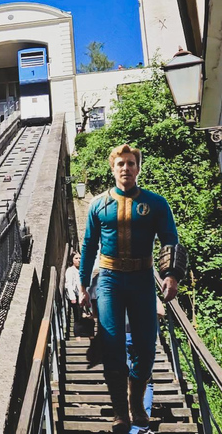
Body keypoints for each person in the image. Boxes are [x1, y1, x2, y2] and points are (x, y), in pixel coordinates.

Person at [78, 144, 185, 433]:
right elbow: (88, 246)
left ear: (138, 167)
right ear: (113, 169)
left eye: (131, 163)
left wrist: (171, 276)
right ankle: (120, 413)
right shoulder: (99, 204)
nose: (126, 168)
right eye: (120, 164)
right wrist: (83, 284)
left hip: (141, 280)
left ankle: (136, 402)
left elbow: (170, 241)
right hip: (110, 280)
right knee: (111, 345)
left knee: (146, 348)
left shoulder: (156, 203)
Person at [65, 252, 82, 328]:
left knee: (83, 314)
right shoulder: (70, 270)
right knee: (77, 315)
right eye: (76, 258)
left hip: (81, 295)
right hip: (75, 296)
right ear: (72, 260)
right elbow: (69, 285)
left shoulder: (81, 270)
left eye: (80, 258)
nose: (79, 260)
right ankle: (78, 335)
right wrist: (72, 297)